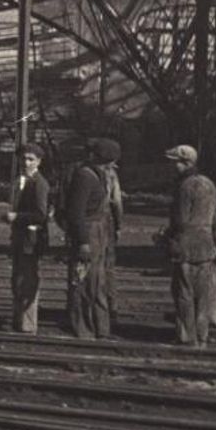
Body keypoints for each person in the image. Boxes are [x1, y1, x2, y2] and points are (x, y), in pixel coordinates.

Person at [159, 144, 216, 347]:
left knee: (184, 291)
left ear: (184, 163)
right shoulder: (208, 183)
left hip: (186, 243)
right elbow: (215, 217)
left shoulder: (185, 186)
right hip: (206, 242)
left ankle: (187, 335)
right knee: (203, 293)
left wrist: (167, 237)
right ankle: (202, 335)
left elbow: (181, 218)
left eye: (173, 163)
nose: (170, 167)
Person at [64, 146, 112, 339]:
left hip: (98, 231)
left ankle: (100, 328)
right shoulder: (85, 176)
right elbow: (76, 213)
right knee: (83, 280)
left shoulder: (96, 174)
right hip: (89, 232)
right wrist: (83, 241)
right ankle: (84, 328)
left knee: (97, 282)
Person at [3, 144, 50, 334]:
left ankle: (28, 324)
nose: (26, 162)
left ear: (39, 161)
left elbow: (41, 214)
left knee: (29, 280)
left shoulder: (40, 183)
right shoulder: (19, 181)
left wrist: (17, 217)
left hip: (32, 238)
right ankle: (18, 320)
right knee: (18, 279)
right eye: (23, 158)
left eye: (31, 159)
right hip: (19, 237)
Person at [89, 137, 126, 323]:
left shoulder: (92, 172)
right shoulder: (112, 174)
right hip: (108, 221)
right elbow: (117, 202)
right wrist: (119, 224)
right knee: (108, 267)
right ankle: (111, 307)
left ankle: (98, 308)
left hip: (97, 222)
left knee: (96, 267)